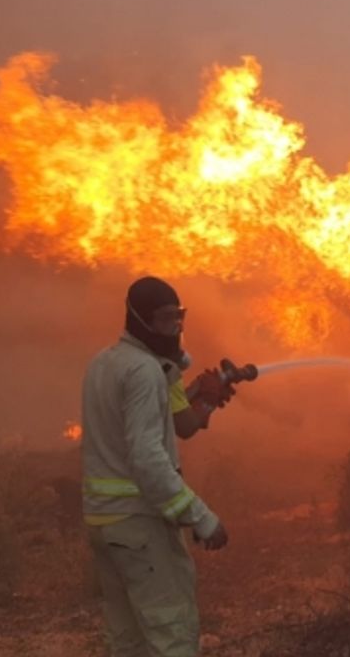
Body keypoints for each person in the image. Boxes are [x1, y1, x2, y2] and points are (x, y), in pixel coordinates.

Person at [80, 276, 234, 656]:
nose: (175, 328)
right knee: (172, 635)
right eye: (165, 319)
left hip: (106, 526)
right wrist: (201, 517)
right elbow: (148, 458)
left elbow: (181, 425)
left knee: (128, 641)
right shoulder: (145, 372)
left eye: (179, 317)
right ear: (140, 319)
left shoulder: (105, 364)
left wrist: (206, 399)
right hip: (140, 526)